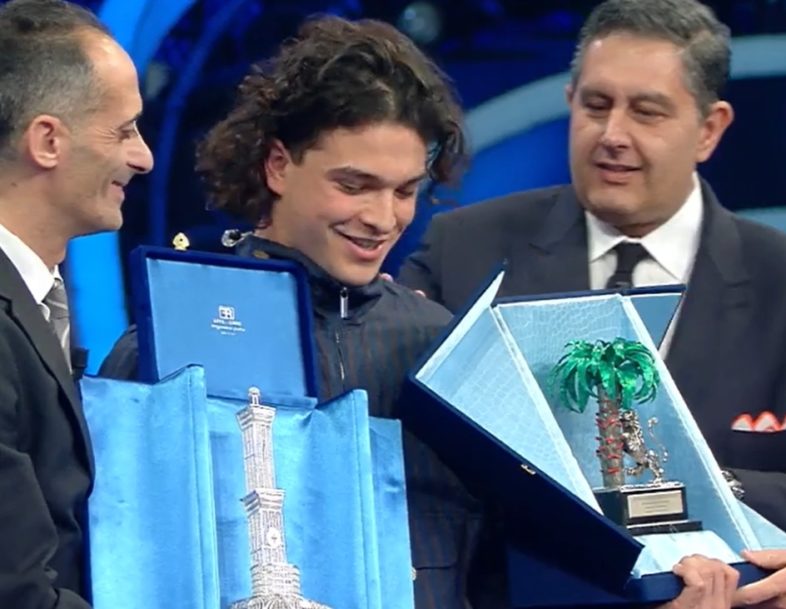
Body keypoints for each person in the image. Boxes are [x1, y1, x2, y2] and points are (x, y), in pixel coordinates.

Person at [98, 12, 743, 609]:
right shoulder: (176, 335)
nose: (382, 218)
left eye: (404, 190)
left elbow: (518, 562)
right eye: (354, 185)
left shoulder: (448, 349)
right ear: (277, 165)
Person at [399, 0, 786, 533]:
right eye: (596, 105)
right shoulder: (463, 251)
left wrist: (702, 490)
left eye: (646, 112)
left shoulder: (777, 279)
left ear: (709, 130)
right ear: (570, 102)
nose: (612, 135)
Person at [0, 0, 154, 608]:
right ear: (47, 141)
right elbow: (16, 591)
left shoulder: (35, 303)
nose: (143, 157)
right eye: (124, 130)